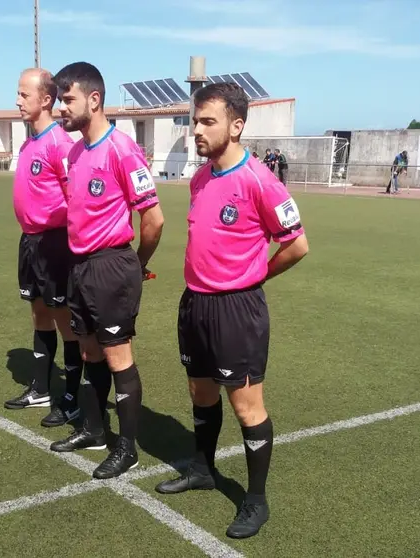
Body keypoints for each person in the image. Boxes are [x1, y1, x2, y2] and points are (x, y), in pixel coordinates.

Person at [153, 82, 309, 539]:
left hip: (236, 309)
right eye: (193, 121)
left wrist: (254, 277)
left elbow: (297, 245)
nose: (195, 131)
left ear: (236, 126)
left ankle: (256, 500)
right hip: (195, 303)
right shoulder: (201, 177)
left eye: (207, 122)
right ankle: (203, 468)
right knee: (200, 393)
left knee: (246, 407)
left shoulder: (260, 180)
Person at [48, 61, 165, 480]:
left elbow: (153, 220)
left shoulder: (122, 149)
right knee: (88, 351)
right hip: (80, 266)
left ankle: (127, 449)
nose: (62, 108)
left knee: (117, 357)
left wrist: (135, 264)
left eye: (68, 99)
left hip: (112, 264)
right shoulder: (76, 152)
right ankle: (95, 430)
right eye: (60, 100)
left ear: (94, 100)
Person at [5, 68, 84, 429]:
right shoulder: (28, 143)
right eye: (18, 94)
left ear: (46, 100)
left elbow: (76, 199)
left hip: (54, 243)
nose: (18, 101)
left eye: (24, 95)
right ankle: (40, 387)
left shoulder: (60, 144)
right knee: (38, 313)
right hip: (30, 241)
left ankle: (71, 396)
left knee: (64, 319)